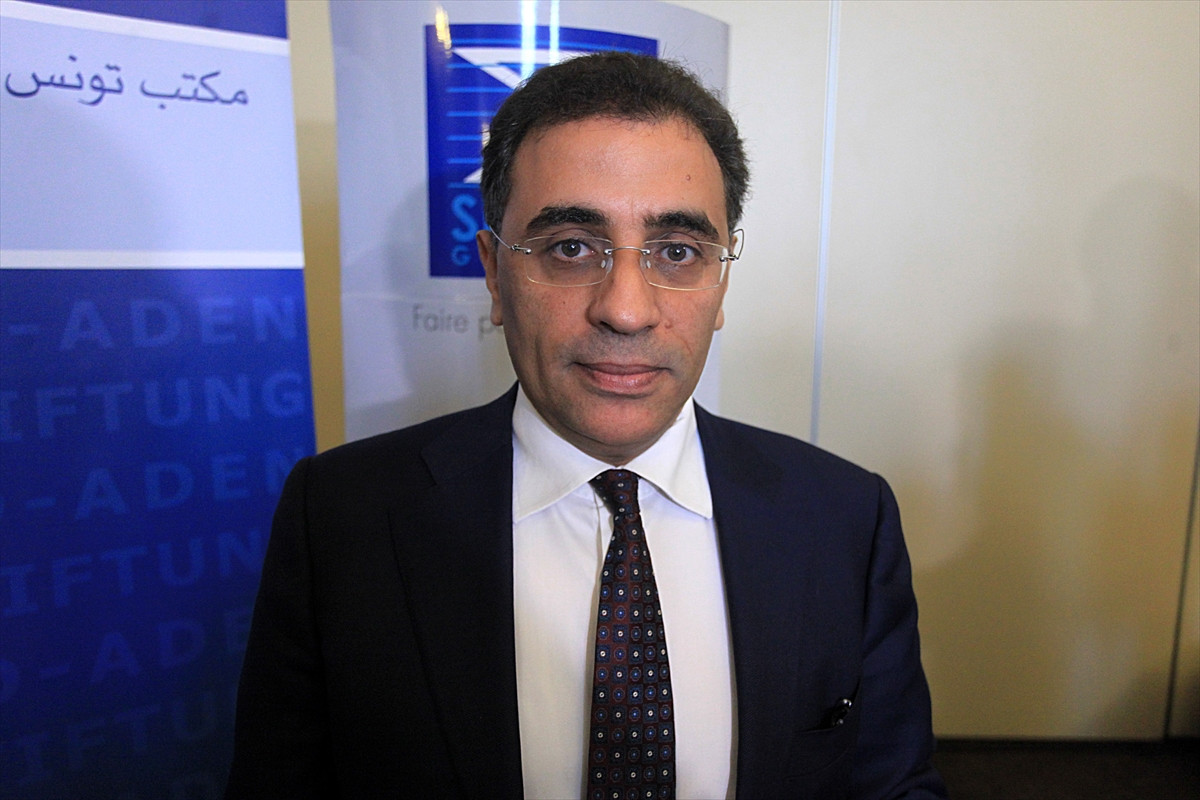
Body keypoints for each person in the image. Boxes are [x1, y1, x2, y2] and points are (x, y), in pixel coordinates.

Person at [225, 52, 947, 799]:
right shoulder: (341, 516)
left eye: (677, 252)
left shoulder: (844, 518)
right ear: (494, 273)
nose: (626, 310)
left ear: (721, 280)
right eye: (571, 248)